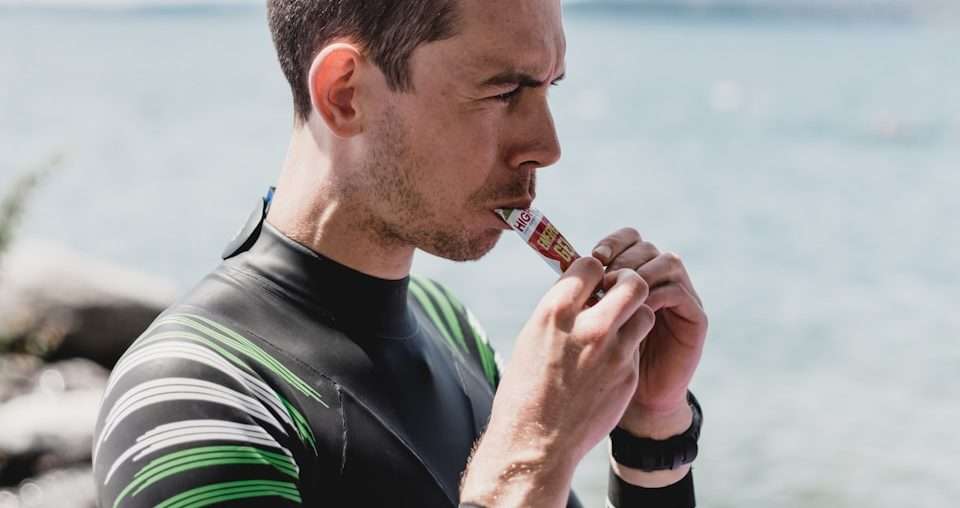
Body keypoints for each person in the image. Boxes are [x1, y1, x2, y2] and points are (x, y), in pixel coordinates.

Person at [91, 0, 709, 506]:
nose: (547, 146)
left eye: (550, 88)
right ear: (345, 94)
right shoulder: (191, 398)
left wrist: (650, 433)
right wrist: (532, 453)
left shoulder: (449, 326)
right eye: (503, 93)